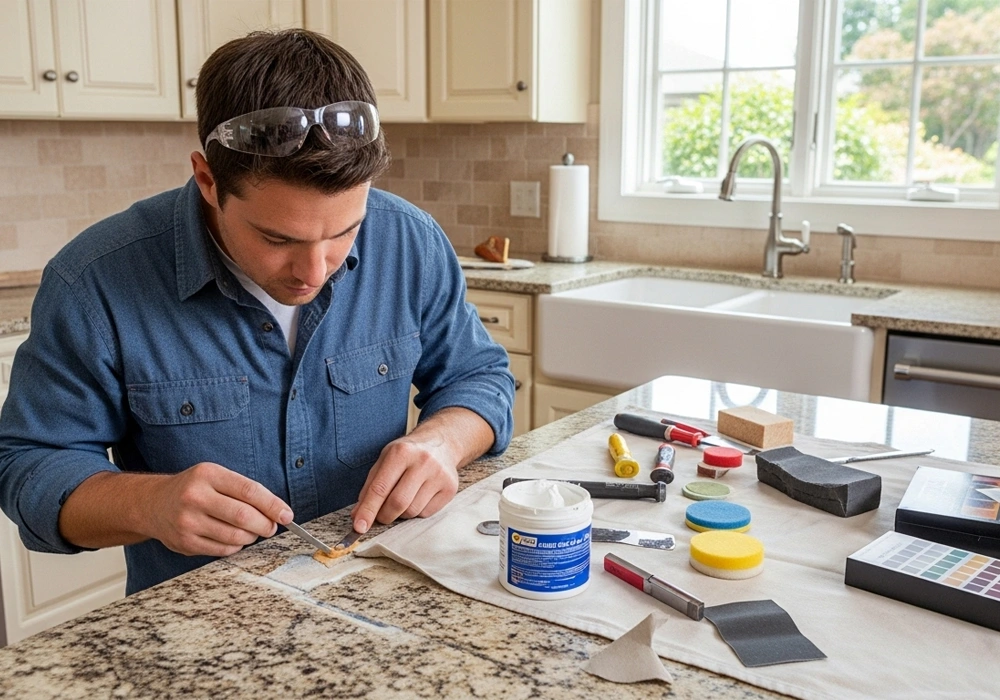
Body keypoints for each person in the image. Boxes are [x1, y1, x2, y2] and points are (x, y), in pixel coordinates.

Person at [0, 30, 514, 595]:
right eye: (277, 238)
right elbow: (29, 465)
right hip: (201, 627)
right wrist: (151, 504)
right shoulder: (94, 281)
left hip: (381, 595)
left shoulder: (410, 241)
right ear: (207, 180)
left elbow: (480, 377)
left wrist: (441, 442)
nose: (314, 271)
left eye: (346, 231)